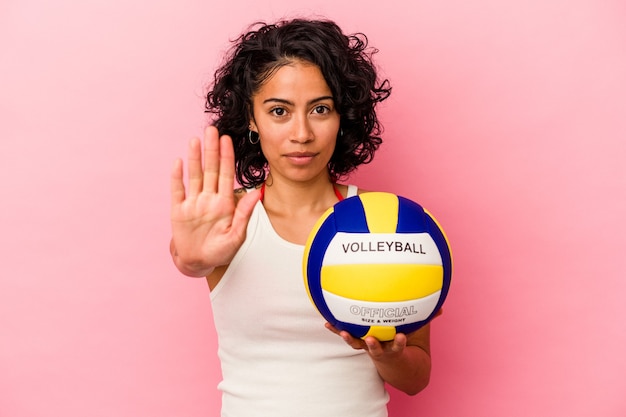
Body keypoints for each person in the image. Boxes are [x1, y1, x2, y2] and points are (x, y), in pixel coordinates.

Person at [170, 18, 434, 417]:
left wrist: (382, 352)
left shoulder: (390, 221)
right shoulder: (226, 218)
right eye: (279, 111)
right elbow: (190, 256)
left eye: (320, 109)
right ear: (252, 119)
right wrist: (190, 260)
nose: (302, 133)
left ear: (343, 116)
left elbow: (416, 379)